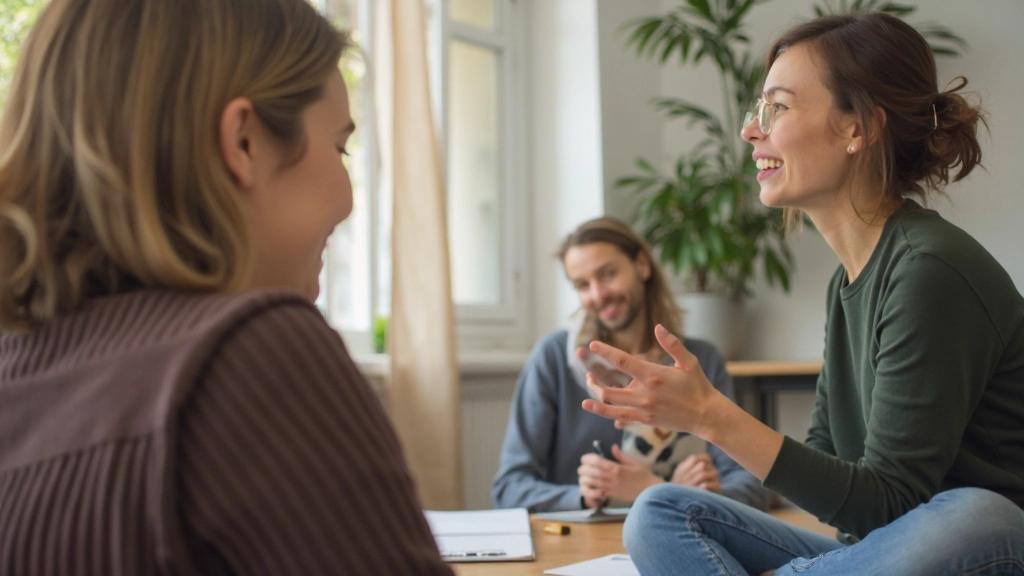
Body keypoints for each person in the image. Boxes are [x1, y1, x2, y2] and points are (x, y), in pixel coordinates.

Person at [0, 0, 453, 574]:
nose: (348, 197)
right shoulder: (250, 353)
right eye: (339, 146)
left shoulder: (16, 370)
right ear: (244, 142)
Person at [581, 12, 1024, 576]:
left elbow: (888, 504)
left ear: (857, 128)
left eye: (778, 107)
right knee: (660, 511)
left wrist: (711, 417)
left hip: (984, 549)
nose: (750, 130)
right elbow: (833, 474)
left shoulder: (928, 269)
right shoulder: (849, 282)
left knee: (981, 515)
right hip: (885, 555)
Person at [491, 217, 769, 512]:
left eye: (608, 274)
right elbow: (509, 488)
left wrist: (664, 493)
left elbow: (753, 487)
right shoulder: (553, 358)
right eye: (582, 285)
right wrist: (587, 497)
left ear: (642, 265)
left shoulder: (699, 362)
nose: (598, 294)